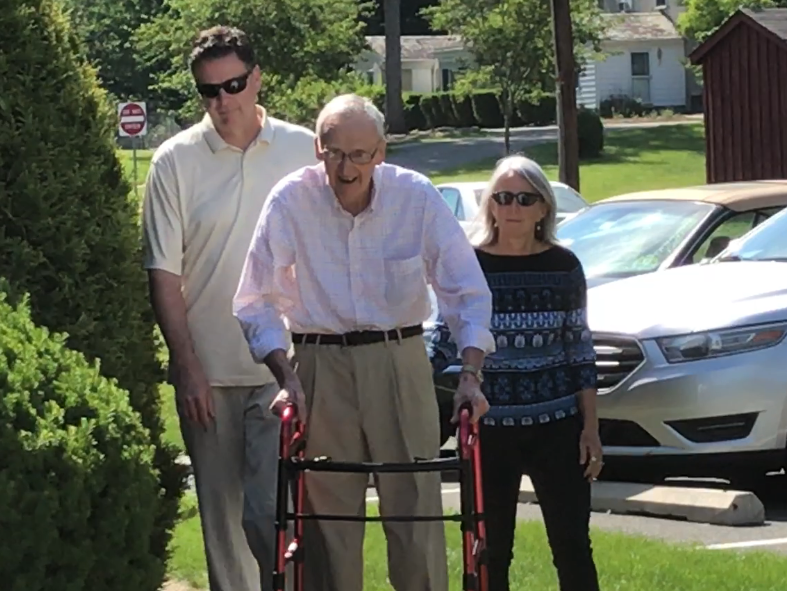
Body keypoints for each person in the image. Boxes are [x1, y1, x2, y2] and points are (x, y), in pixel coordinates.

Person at [232, 93, 495, 591]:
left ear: (381, 153)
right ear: (317, 148)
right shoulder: (290, 199)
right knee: (327, 521)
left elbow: (466, 290)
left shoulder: (414, 195)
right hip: (318, 364)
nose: (346, 167)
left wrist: (471, 374)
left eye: (359, 154)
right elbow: (254, 298)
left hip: (399, 360)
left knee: (416, 510)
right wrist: (285, 376)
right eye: (334, 152)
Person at [141, 25, 318, 591]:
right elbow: (164, 274)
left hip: (282, 368)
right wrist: (186, 365)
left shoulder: (302, 148)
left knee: (270, 515)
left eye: (234, 84)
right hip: (208, 376)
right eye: (209, 91)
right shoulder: (174, 162)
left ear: (257, 78)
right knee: (222, 529)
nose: (223, 101)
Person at [431, 155, 603, 591]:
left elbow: (579, 349)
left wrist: (591, 428)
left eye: (525, 199)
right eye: (503, 197)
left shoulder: (565, 268)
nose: (512, 208)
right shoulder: (468, 265)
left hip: (558, 427)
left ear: (544, 207)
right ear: (490, 204)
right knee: (488, 550)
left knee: (572, 545)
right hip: (489, 428)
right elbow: (444, 336)